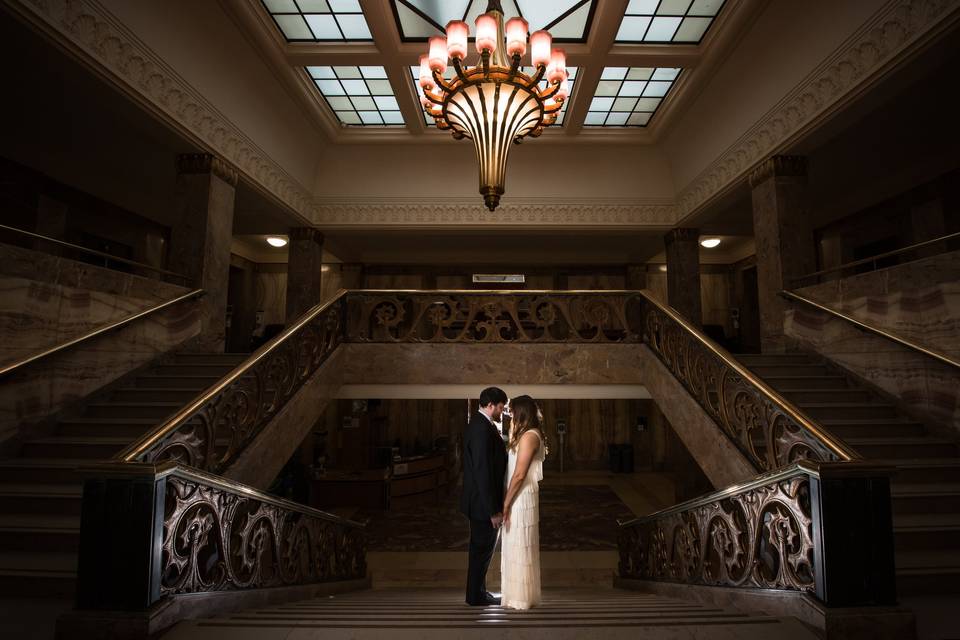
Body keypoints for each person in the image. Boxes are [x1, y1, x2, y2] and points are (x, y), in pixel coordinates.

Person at [460, 386, 508, 606]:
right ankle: (476, 596)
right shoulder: (481, 429)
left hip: (478, 502)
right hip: (481, 505)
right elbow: (482, 472)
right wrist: (493, 510)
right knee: (481, 551)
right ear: (490, 405)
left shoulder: (480, 425)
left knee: (480, 551)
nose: (502, 411)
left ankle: (477, 592)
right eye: (500, 407)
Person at [500, 395, 547, 610]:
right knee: (515, 543)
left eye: (512, 411)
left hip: (521, 498)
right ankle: (514, 595)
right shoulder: (524, 433)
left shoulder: (530, 436)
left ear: (521, 412)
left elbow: (519, 474)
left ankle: (521, 598)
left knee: (521, 542)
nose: (509, 414)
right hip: (518, 495)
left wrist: (506, 504)